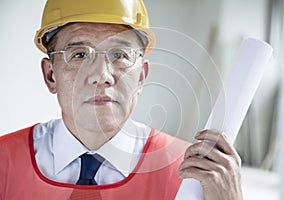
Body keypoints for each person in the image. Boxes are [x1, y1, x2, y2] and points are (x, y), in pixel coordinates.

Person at [0, 0, 243, 199]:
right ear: (50, 75)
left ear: (141, 77)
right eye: (79, 54)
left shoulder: (190, 172)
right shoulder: (4, 161)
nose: (102, 76)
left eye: (119, 55)